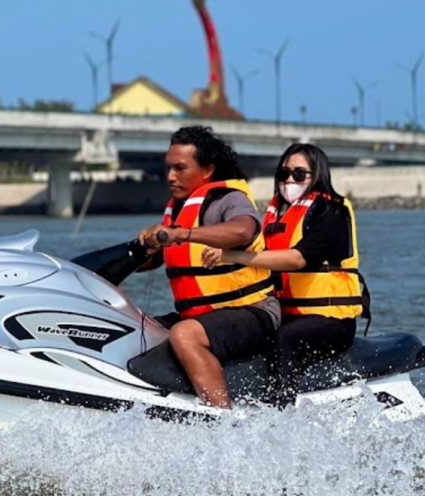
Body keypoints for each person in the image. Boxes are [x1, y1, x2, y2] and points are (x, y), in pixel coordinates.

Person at [201, 143, 367, 408]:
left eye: (299, 174)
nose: (289, 180)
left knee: (285, 340)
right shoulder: (275, 215)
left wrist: (232, 256)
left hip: (332, 320)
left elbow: (296, 258)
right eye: (283, 173)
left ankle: (282, 416)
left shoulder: (331, 212)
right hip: (286, 313)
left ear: (317, 175)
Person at [137, 125, 280, 409]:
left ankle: (222, 421)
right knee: (137, 327)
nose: (170, 177)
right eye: (168, 168)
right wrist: (143, 252)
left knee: (184, 334)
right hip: (204, 315)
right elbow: (157, 262)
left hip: (254, 311)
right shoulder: (177, 209)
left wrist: (180, 234)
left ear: (208, 170)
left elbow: (244, 231)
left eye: (179, 168)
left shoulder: (228, 200)